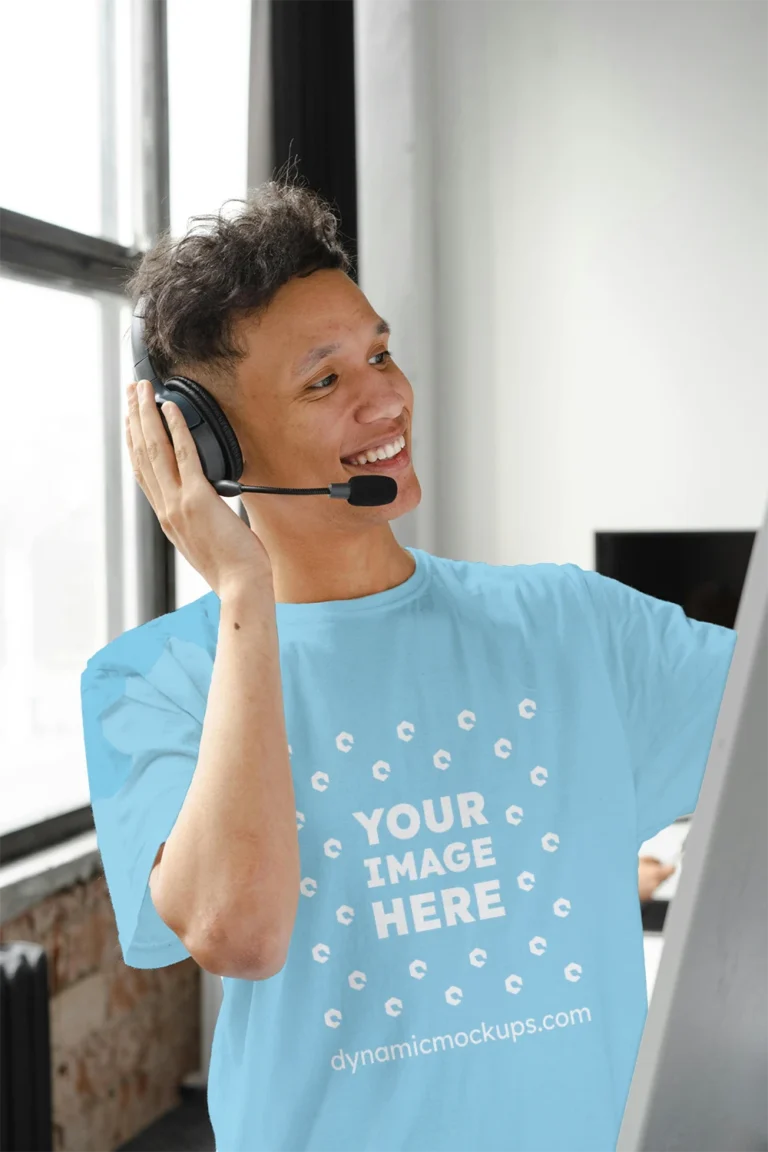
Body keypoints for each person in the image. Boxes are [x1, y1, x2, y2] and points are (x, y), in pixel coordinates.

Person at [80, 179, 736, 1152]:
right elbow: (240, 930)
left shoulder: (574, 627)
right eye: (324, 381)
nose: (385, 395)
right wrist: (244, 595)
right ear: (210, 447)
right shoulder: (153, 683)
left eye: (379, 352)